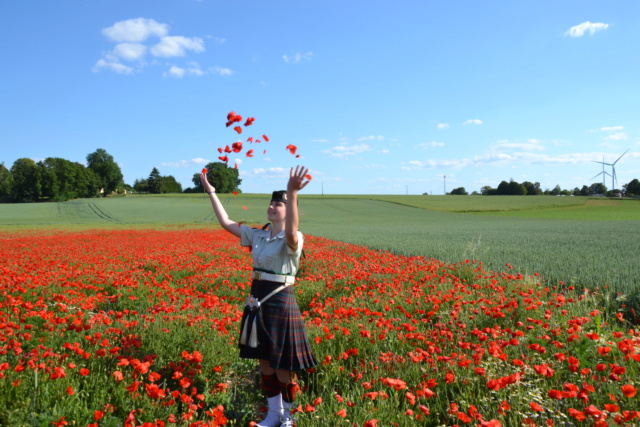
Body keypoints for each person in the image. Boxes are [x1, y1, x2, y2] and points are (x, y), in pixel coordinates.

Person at [200, 165, 317, 427]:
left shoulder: (295, 237)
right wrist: (211, 192)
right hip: (257, 299)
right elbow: (226, 222)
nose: (273, 206)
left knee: (282, 364)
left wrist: (292, 193)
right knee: (264, 361)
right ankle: (273, 414)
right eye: (272, 202)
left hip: (281, 299)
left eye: (279, 204)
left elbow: (290, 231)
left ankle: (289, 416)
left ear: (288, 211)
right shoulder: (259, 235)